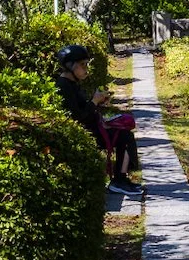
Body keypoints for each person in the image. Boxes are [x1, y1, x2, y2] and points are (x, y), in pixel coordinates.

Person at [56, 44, 140, 188]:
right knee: (125, 137)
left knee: (125, 134)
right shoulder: (64, 87)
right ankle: (119, 180)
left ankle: (121, 178)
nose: (86, 69)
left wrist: (98, 102)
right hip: (83, 133)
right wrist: (94, 101)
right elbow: (78, 116)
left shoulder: (72, 84)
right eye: (82, 65)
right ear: (70, 66)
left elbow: (84, 109)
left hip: (90, 128)